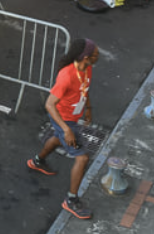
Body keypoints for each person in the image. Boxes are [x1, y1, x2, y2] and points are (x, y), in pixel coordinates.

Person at [27, 38, 99, 221]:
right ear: (86, 57)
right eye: (95, 53)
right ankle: (71, 200)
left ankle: (37, 161)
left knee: (59, 138)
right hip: (63, 119)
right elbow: (49, 104)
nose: (98, 55)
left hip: (71, 118)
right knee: (82, 158)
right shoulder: (67, 76)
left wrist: (88, 109)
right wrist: (66, 129)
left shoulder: (87, 68)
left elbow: (85, 89)